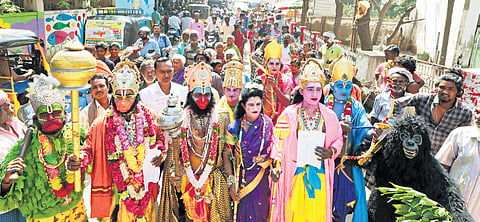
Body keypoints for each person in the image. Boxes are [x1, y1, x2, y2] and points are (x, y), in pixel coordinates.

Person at [81, 59, 165, 221]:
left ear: (136, 95)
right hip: (116, 187)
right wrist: (80, 159)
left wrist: (161, 153)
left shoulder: (150, 116)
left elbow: (160, 139)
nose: (123, 100)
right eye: (119, 95)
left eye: (129, 95)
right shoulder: (102, 122)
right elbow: (88, 149)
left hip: (144, 184)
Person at [0, 74, 87, 221]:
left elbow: (92, 161)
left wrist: (82, 161)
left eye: (56, 113)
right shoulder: (23, 148)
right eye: (44, 115)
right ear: (36, 119)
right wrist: (6, 179)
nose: (51, 119)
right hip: (44, 215)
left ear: (64, 114)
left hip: (76, 209)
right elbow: (5, 190)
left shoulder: (75, 136)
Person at [271, 60, 343, 222]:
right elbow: (277, 142)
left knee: (317, 215)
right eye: (310, 89)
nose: (314, 93)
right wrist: (276, 165)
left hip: (320, 175)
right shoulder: (288, 115)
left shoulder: (329, 116)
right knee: (292, 214)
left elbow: (338, 138)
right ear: (301, 90)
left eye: (318, 89)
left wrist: (331, 151)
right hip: (294, 174)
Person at [176, 62, 232, 221]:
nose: (203, 99)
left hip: (214, 182)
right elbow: (176, 153)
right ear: (190, 95)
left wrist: (231, 181)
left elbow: (227, 154)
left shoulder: (221, 117)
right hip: (187, 180)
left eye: (207, 94)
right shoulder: (181, 118)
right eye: (197, 95)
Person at [324, 58, 370, 222]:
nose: (344, 90)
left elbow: (365, 126)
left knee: (343, 207)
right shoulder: (322, 104)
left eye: (348, 86)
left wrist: (375, 132)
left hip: (346, 162)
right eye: (340, 86)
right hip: (324, 162)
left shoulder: (356, 107)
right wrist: (336, 127)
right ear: (332, 85)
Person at [223, 79, 275, 221]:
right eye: (251, 104)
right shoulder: (235, 128)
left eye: (258, 104)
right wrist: (231, 183)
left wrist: (276, 167)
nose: (255, 108)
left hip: (262, 180)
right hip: (242, 181)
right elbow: (226, 156)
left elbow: (275, 151)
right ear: (243, 106)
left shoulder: (267, 124)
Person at [394, 69, 473, 154]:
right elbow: (396, 103)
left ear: (458, 92)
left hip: (441, 158)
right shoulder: (422, 99)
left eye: (450, 89)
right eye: (442, 87)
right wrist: (403, 124)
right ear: (436, 88)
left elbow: (462, 139)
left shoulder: (464, 113)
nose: (445, 92)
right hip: (416, 152)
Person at [436, 102, 480, 220]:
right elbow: (441, 167)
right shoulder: (460, 134)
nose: (478, 117)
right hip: (450, 208)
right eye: (477, 112)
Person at [0, 90, 26, 222]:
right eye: (8, 105)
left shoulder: (14, 122)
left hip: (24, 197)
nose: (13, 107)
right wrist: (6, 179)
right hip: (4, 207)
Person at [259, 41, 293, 123]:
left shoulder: (286, 80)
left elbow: (286, 102)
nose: (274, 66)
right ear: (266, 64)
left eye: (277, 64)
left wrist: (275, 87)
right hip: (262, 121)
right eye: (271, 63)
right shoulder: (259, 80)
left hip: (280, 122)